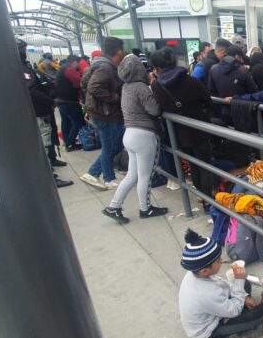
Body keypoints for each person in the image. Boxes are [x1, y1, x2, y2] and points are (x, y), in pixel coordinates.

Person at [178, 229, 263, 338]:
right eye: (218, 261)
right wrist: (239, 281)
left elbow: (221, 284)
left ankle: (245, 308)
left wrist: (245, 297)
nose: (221, 261)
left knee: (245, 284)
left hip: (214, 307)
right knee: (254, 317)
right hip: (210, 329)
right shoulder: (204, 294)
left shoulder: (194, 272)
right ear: (204, 271)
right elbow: (234, 311)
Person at [101, 54, 167, 222]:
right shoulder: (140, 87)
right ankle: (145, 209)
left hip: (129, 133)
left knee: (132, 175)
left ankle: (114, 206)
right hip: (144, 135)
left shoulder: (126, 86)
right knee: (145, 176)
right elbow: (154, 110)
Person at [150, 47, 215, 201]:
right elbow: (208, 101)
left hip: (177, 133)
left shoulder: (156, 86)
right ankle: (207, 199)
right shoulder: (191, 81)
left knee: (192, 164)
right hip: (198, 129)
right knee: (205, 164)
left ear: (157, 68)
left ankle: (200, 195)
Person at [16, 39, 72, 188]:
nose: (24, 52)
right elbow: (32, 90)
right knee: (45, 142)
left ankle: (52, 160)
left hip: (44, 109)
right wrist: (48, 99)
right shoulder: (21, 69)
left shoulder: (25, 68)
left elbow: (44, 84)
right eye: (23, 49)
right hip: (40, 110)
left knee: (50, 137)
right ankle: (49, 176)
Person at [79, 37, 126, 190]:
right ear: (118, 51)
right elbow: (94, 88)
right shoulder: (105, 67)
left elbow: (85, 84)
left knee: (113, 146)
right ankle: (104, 176)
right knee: (111, 147)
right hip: (106, 114)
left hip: (100, 112)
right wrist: (115, 98)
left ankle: (98, 174)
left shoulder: (96, 64)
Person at [208, 45, 258, 125]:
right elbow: (254, 91)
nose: (242, 60)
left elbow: (212, 91)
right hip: (242, 110)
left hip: (223, 110)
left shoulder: (213, 69)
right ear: (237, 56)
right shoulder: (243, 71)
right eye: (241, 57)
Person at [55, 55, 86, 151]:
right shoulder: (70, 70)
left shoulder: (62, 68)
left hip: (61, 100)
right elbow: (79, 83)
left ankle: (67, 141)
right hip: (69, 101)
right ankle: (70, 143)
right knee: (78, 122)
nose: (79, 66)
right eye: (78, 63)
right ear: (74, 62)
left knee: (66, 122)